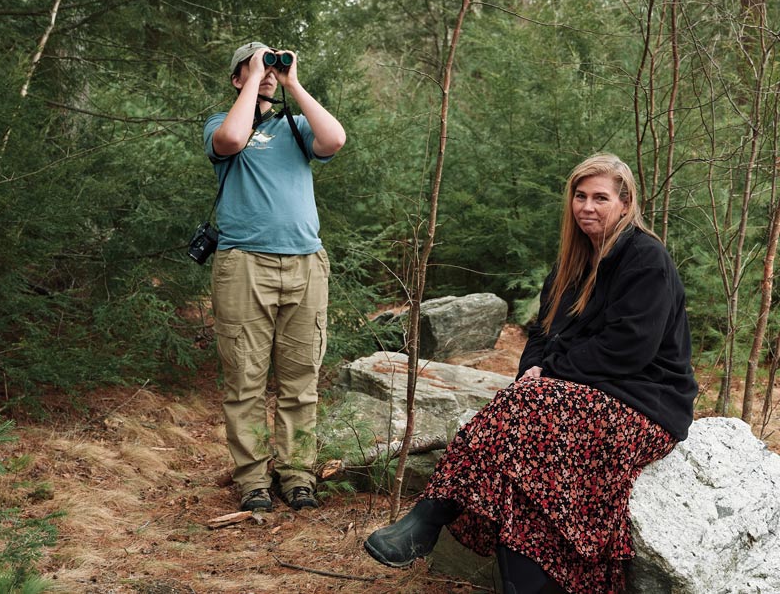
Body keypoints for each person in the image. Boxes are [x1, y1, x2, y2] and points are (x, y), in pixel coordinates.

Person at [363, 154, 698, 593]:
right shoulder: (571, 263)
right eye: (580, 196)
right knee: (523, 473)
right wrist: (533, 372)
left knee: (525, 412)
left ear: (625, 201)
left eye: (600, 197)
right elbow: (541, 336)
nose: (588, 207)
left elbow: (627, 349)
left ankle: (433, 512)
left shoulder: (645, 258)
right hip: (586, 394)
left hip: (646, 405)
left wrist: (547, 375)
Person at [203, 41, 346, 513]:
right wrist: (254, 81)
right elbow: (231, 141)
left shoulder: (296, 126)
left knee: (301, 380)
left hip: (306, 264)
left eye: (273, 64)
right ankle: (251, 480)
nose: (269, 72)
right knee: (244, 380)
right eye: (256, 65)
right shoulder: (221, 126)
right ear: (236, 77)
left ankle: (297, 474)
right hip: (244, 264)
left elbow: (335, 140)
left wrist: (291, 82)